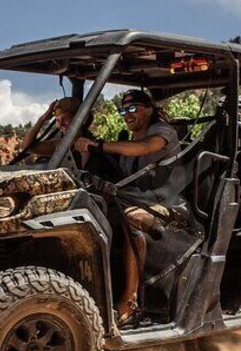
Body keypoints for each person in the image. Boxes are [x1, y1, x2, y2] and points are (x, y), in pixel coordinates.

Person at [74, 90, 180, 324]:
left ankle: (130, 301)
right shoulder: (126, 145)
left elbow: (145, 148)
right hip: (134, 201)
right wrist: (86, 152)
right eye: (123, 110)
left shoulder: (163, 133)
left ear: (149, 109)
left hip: (168, 207)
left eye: (133, 108)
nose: (127, 114)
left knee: (131, 218)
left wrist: (100, 145)